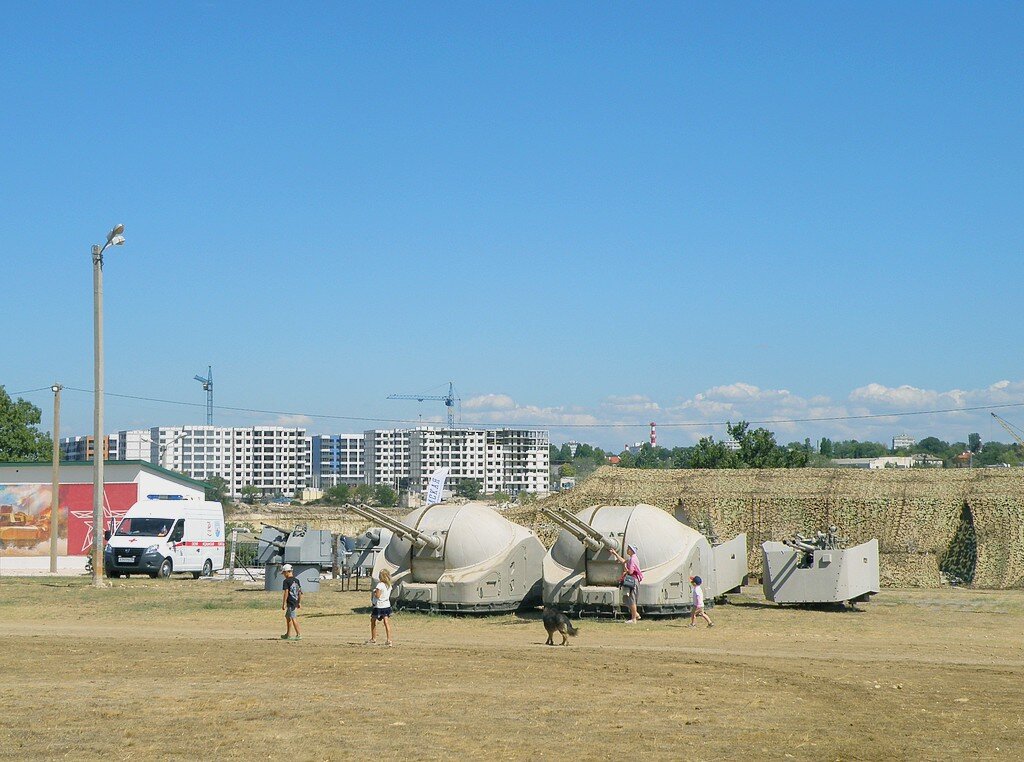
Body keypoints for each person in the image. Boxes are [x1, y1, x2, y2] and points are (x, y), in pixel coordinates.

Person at [611, 544, 643, 623]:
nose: (627, 550)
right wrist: (615, 553)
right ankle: (636, 614)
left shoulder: (633, 559)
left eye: (628, 549)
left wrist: (626, 569)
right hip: (632, 580)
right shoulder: (632, 558)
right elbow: (623, 561)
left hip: (632, 580)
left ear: (631, 550)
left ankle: (633, 619)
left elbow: (631, 571)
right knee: (626, 599)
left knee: (631, 599)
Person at [369, 569, 394, 646]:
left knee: (373, 620)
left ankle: (373, 638)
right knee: (386, 622)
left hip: (379, 605)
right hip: (387, 605)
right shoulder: (389, 585)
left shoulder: (380, 585)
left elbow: (378, 596)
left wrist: (374, 592)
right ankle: (389, 640)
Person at [281, 564, 302, 640]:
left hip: (290, 602)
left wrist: (283, 604)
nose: (283, 574)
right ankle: (288, 634)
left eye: (284, 573)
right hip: (295, 601)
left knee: (293, 618)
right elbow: (299, 592)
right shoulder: (297, 580)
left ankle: (298, 634)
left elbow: (286, 592)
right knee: (288, 617)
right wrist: (299, 602)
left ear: (287, 572)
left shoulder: (286, 581)